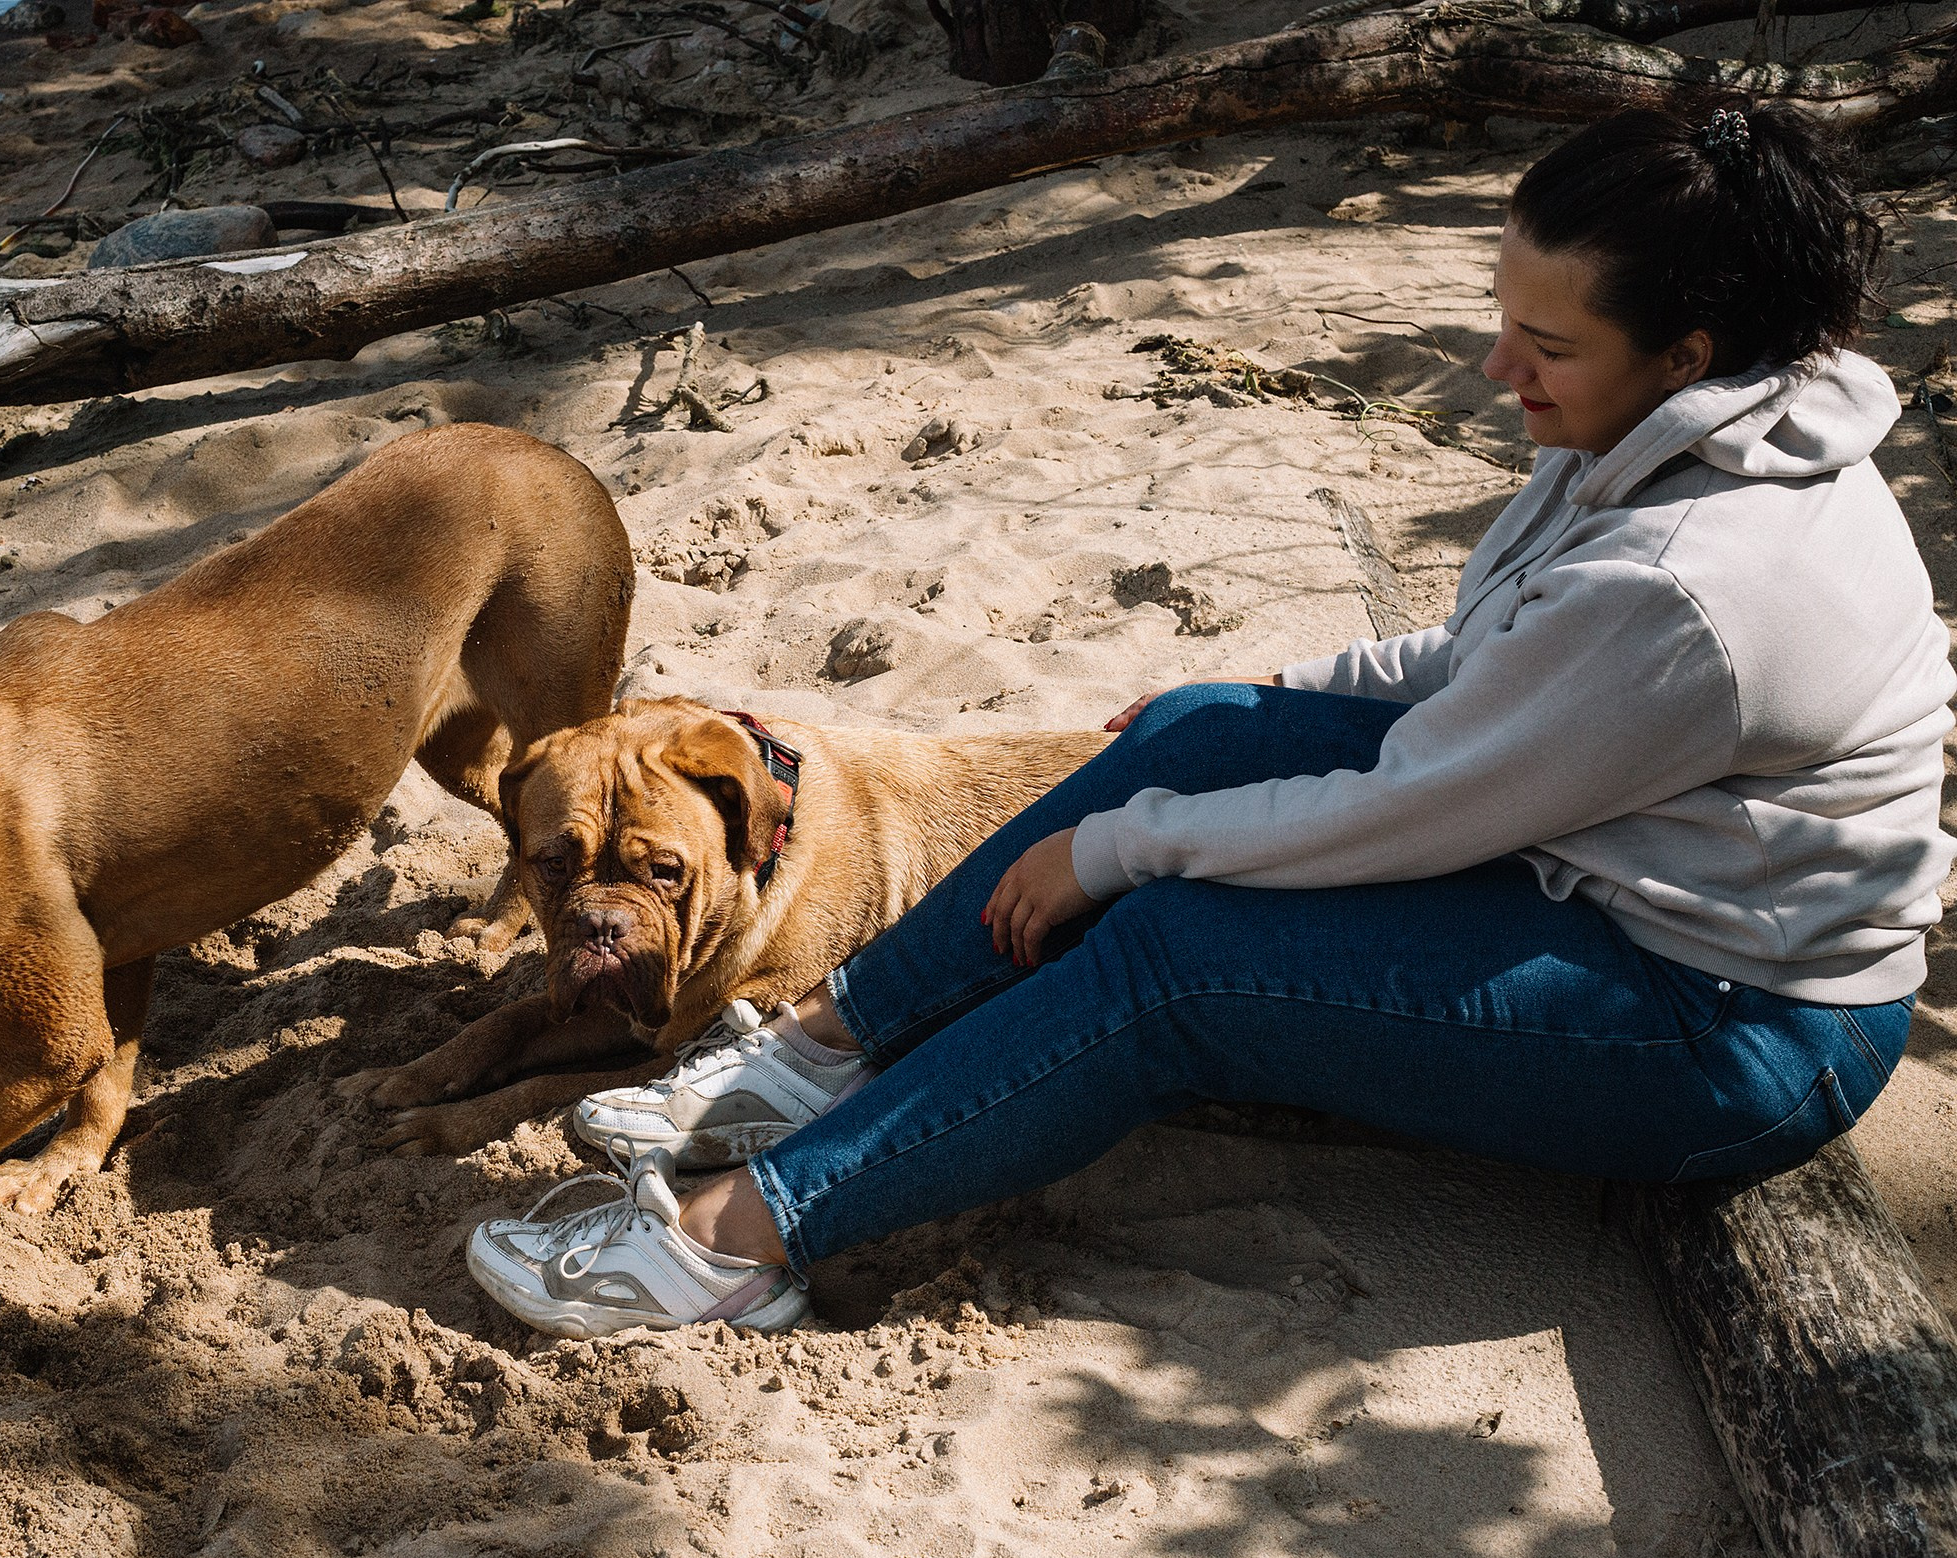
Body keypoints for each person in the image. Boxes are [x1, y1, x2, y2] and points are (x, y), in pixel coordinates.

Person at [465, 107, 1956, 1339]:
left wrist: (1120, 844)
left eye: (1545, 347)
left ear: (1686, 351)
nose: (1503, 369)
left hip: (1730, 1022)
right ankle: (812, 1048)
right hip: (1611, 875)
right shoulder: (1671, 428)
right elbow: (1483, 660)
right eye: (1506, 323)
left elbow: (1416, 802)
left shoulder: (1691, 584)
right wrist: (1233, 717)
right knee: (1200, 725)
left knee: (1178, 960)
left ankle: (739, 1239)